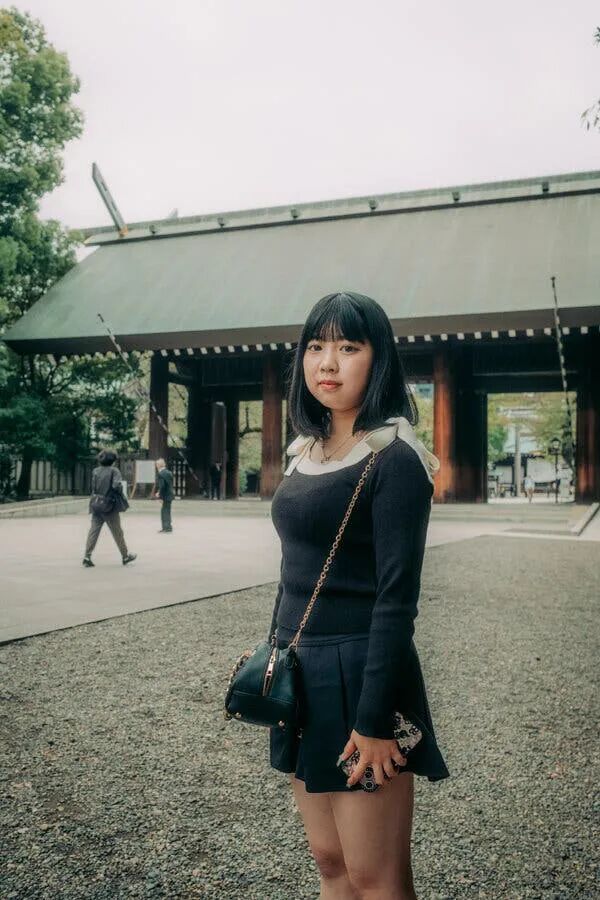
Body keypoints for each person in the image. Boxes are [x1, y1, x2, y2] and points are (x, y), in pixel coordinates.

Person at [266, 291, 449, 899]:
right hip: (302, 674)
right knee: (330, 863)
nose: (327, 362)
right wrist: (274, 664)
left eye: (348, 347)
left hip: (360, 672)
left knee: (376, 875)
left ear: (379, 359)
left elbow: (396, 600)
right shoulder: (305, 452)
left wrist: (374, 720)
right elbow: (293, 571)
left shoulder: (394, 458)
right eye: (316, 346)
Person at [83, 450, 136, 567]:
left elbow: (93, 488)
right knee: (117, 532)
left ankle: (87, 556)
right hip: (109, 506)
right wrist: (120, 491)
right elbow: (116, 485)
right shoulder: (114, 471)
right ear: (112, 460)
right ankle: (125, 556)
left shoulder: (95, 471)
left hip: (96, 504)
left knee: (93, 531)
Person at [153, 458, 174, 532]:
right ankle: (168, 527)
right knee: (167, 511)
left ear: (158, 465)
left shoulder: (161, 474)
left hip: (165, 495)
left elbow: (162, 486)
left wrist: (160, 496)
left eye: (156, 465)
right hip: (170, 494)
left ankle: (166, 528)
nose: (156, 466)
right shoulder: (169, 472)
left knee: (164, 512)